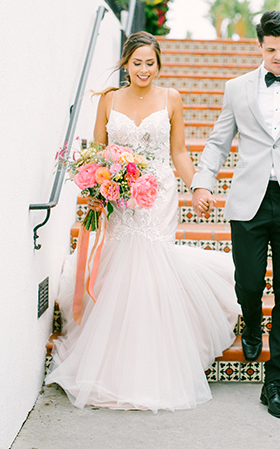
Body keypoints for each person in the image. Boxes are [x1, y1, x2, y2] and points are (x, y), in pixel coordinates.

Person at [46, 31, 240, 412]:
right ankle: (114, 359)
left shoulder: (172, 98)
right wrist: (96, 185)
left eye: (150, 63)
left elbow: (180, 151)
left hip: (159, 196)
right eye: (137, 63)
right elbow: (98, 151)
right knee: (121, 265)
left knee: (150, 264)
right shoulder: (108, 100)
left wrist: (198, 186)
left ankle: (155, 359)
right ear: (126, 63)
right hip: (120, 196)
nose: (144, 70)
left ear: (158, 64)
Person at [192, 11, 280, 419]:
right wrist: (203, 181)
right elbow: (219, 142)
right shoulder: (236, 89)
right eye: (271, 49)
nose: (278, 57)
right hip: (248, 201)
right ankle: (252, 325)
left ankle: (274, 382)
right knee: (249, 282)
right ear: (260, 46)